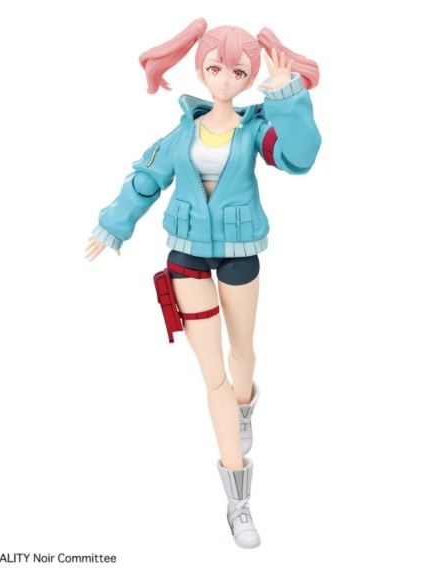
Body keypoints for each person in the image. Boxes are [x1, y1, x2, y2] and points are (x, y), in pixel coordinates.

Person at [85, 18, 321, 548]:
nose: (225, 78)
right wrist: (114, 223)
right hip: (186, 252)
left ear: (248, 77)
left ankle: (244, 406)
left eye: (237, 71)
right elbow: (147, 179)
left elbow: (300, 157)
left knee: (242, 354)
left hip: (240, 250)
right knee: (213, 375)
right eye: (216, 68)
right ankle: (239, 501)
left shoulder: (256, 128)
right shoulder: (182, 132)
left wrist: (286, 97)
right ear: (201, 69)